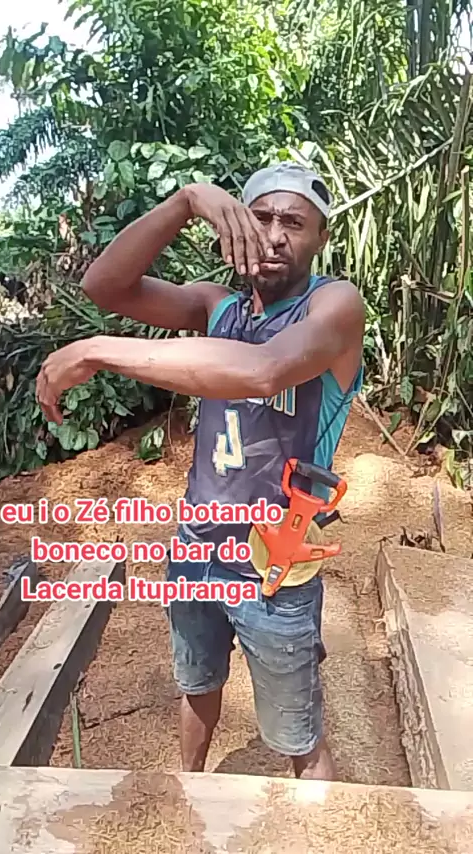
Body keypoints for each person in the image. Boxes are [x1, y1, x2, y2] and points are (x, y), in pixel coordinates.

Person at [36, 162, 365, 781]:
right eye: (260, 218)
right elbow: (104, 286)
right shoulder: (218, 307)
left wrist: (98, 350)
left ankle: (319, 822)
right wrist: (185, 201)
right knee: (197, 682)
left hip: (275, 563)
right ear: (235, 223)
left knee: (298, 734)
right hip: (197, 545)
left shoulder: (334, 306)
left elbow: (263, 371)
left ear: (321, 237)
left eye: (294, 223)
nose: (274, 236)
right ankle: (189, 788)